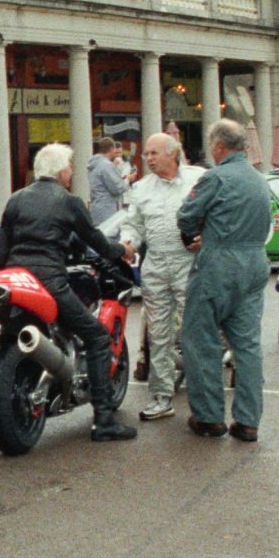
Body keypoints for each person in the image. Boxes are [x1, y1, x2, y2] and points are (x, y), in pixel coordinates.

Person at [0, 143, 137, 441]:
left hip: (17, 281)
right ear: (60, 172)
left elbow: (3, 250)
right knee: (97, 337)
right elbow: (96, 240)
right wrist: (121, 250)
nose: (71, 173)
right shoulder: (69, 202)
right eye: (70, 168)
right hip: (49, 280)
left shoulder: (16, 199)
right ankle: (104, 420)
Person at [175, 119, 274, 441]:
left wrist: (196, 232)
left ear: (218, 147)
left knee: (201, 338)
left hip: (219, 262)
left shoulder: (215, 177)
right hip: (254, 261)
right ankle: (248, 421)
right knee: (247, 344)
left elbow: (186, 216)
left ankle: (209, 416)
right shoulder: (259, 179)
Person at [103, 131, 203, 421]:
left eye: (153, 153)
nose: (147, 158)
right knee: (158, 334)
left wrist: (205, 236)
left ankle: (202, 397)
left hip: (189, 263)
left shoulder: (198, 180)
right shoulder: (142, 188)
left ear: (172, 154)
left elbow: (217, 214)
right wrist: (128, 243)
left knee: (195, 331)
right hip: (155, 264)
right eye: (146, 153)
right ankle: (161, 396)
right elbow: (133, 224)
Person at [88, 135, 128, 225]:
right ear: (112, 149)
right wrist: (127, 180)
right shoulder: (106, 165)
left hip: (96, 209)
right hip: (108, 212)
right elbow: (117, 189)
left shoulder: (94, 164)